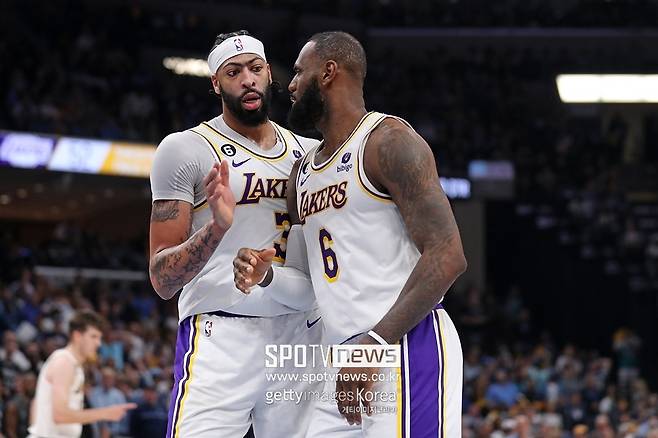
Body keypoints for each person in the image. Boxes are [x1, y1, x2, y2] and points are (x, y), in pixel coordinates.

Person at [235, 31, 466, 437]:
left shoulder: (388, 142)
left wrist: (375, 344)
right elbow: (307, 286)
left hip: (404, 345)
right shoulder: (301, 175)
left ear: (328, 72)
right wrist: (266, 276)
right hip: (342, 360)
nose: (290, 85)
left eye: (298, 72)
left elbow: (448, 255)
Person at [148, 30, 322, 437]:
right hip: (221, 334)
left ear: (269, 73)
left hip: (299, 335)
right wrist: (217, 227)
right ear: (215, 83)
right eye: (233, 72)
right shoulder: (186, 149)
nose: (247, 80)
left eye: (255, 68)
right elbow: (162, 279)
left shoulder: (310, 153)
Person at [27, 310, 135, 438]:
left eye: (99, 338)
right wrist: (105, 413)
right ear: (77, 335)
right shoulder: (64, 362)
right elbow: (59, 415)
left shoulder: (74, 366)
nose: (98, 343)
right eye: (93, 336)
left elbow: (36, 402)